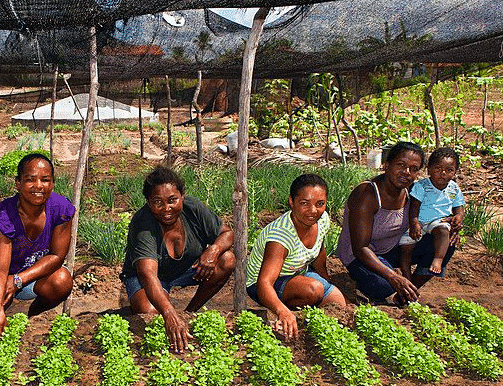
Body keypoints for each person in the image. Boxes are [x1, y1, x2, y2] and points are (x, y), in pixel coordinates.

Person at [121, 166, 235, 351]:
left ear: (182, 196)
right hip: (146, 277)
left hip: (184, 270)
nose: (166, 208)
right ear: (148, 203)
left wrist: (213, 250)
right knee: (151, 313)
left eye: (172, 200)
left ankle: (190, 312)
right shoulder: (143, 224)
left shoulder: (193, 209)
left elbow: (227, 233)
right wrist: (169, 314)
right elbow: (148, 274)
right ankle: (171, 312)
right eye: (158, 202)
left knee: (227, 259)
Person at [0, 153, 75, 340]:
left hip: (27, 270)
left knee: (61, 281)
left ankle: (29, 312)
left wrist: (18, 280)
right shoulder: (5, 214)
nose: (38, 186)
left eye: (45, 180)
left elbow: (57, 256)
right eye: (30, 180)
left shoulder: (61, 207)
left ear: (52, 184)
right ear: (18, 184)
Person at [337, 141, 457, 305]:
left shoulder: (413, 192)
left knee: (447, 241)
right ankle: (367, 283)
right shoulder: (367, 194)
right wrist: (393, 276)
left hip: (392, 250)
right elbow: (360, 248)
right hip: (360, 255)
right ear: (387, 165)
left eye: (414, 169)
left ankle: (407, 291)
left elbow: (435, 216)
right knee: (385, 286)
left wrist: (450, 225)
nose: (406, 172)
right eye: (401, 165)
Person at [246, 174, 347, 338]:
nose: (313, 211)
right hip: (263, 284)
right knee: (313, 290)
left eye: (320, 204)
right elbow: (264, 282)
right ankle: (287, 309)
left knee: (339, 305)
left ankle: (305, 308)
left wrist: (327, 281)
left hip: (297, 273)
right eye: (304, 203)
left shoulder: (322, 220)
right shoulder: (280, 237)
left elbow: (319, 250)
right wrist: (282, 312)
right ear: (291, 202)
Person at [399, 147, 465, 276]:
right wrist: (414, 223)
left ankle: (438, 259)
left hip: (439, 221)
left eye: (449, 170)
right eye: (438, 169)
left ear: (455, 172)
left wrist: (459, 217)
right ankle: (406, 276)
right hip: (419, 221)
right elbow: (414, 206)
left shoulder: (454, 188)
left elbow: (459, 208)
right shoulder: (422, 186)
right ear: (429, 169)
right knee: (405, 248)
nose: (443, 173)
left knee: (443, 232)